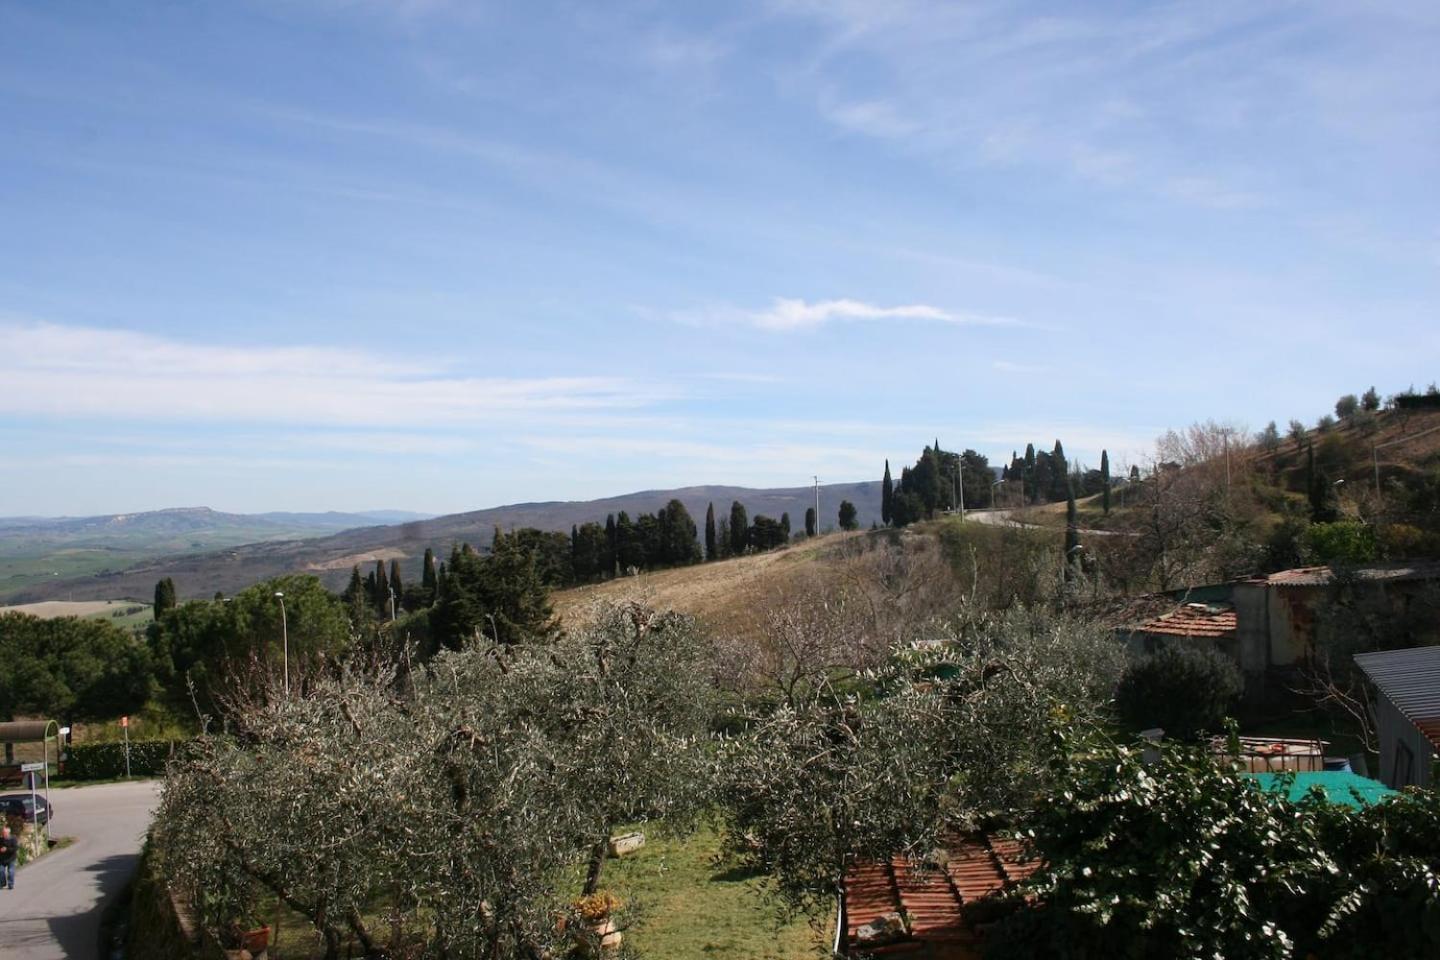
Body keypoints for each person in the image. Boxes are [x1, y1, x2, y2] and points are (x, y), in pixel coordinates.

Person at [0, 823, 18, 890]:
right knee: (1, 871)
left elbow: (15, 849)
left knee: (10, 871)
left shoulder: (13, 839)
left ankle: (10, 884)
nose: (3, 834)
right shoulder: (1, 839)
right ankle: (2, 883)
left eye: (5, 833)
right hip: (2, 859)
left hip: (11, 858)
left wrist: (6, 849)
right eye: (3, 832)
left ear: (8, 833)